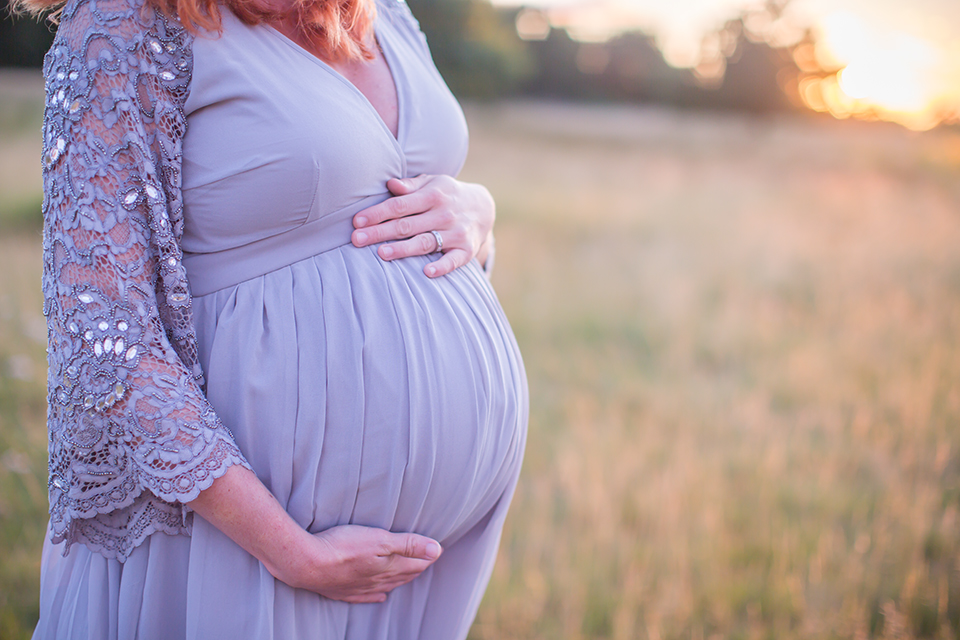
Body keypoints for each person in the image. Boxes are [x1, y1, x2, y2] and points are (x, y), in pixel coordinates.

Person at [21, 0, 528, 634]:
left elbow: (398, 198)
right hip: (245, 547)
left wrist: (477, 213)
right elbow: (101, 333)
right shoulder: (121, 24)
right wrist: (291, 551)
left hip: (424, 567)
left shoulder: (384, 12)